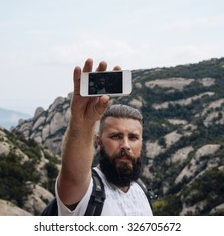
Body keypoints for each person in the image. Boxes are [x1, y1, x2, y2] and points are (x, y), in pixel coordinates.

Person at [55, 58, 153, 216]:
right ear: (99, 142)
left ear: (141, 143)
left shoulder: (141, 191)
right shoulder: (86, 191)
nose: (125, 145)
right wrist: (82, 122)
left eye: (133, 137)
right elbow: (73, 176)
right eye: (116, 136)